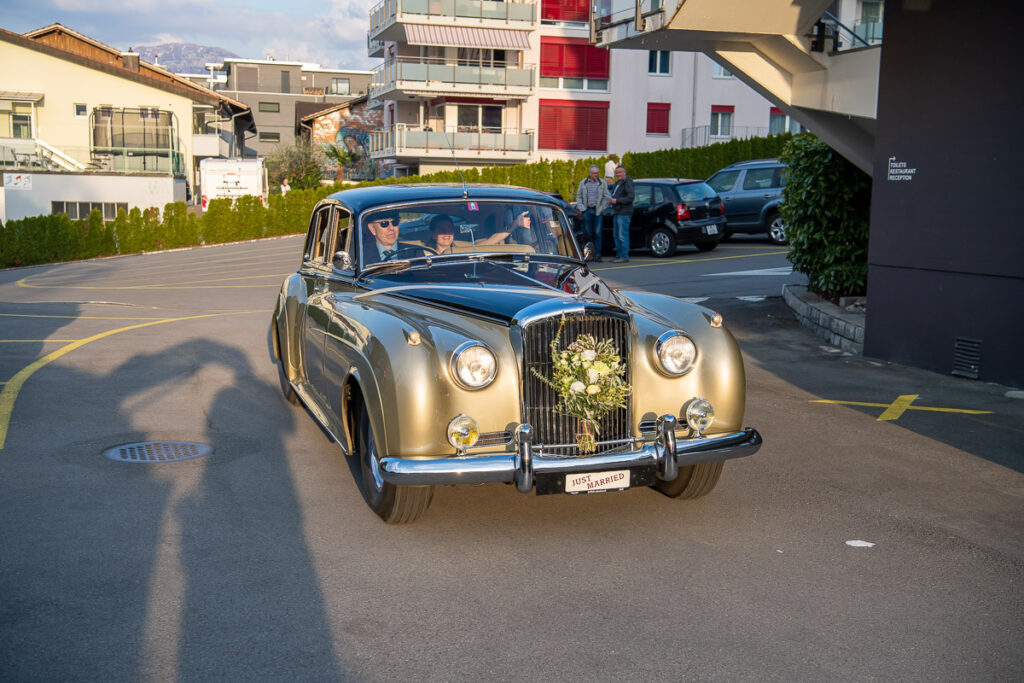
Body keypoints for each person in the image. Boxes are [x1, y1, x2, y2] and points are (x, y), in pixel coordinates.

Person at [575, 164, 610, 262]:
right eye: (594, 173)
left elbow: (606, 196)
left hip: (598, 211)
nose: (596, 175)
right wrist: (582, 208)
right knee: (588, 234)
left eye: (597, 173)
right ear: (590, 173)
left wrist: (602, 208)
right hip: (587, 210)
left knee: (598, 233)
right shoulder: (583, 183)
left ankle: (598, 255)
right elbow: (578, 196)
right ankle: (589, 255)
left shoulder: (602, 183)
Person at [428, 215, 509, 254]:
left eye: (449, 228)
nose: (446, 232)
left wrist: (514, 225)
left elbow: (492, 240)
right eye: (441, 229)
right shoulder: (424, 254)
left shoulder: (463, 250)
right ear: (433, 234)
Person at [608, 165, 634, 263]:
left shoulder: (628, 182)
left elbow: (630, 197)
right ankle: (619, 255)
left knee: (622, 234)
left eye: (620, 172)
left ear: (624, 172)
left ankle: (624, 256)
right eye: (617, 173)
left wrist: (616, 200)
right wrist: (611, 200)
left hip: (624, 212)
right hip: (617, 212)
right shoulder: (618, 183)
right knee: (616, 235)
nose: (618, 174)